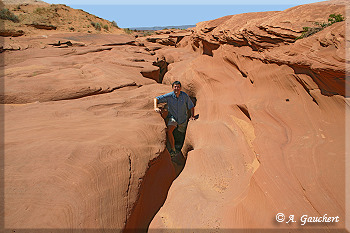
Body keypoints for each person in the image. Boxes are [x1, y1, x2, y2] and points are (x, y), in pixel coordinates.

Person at [154, 81, 195, 156]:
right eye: (175, 87)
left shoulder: (184, 96)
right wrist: (155, 107)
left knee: (181, 134)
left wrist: (192, 116)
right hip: (174, 118)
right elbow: (156, 99)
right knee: (169, 131)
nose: (176, 88)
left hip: (183, 119)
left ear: (180, 88)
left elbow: (191, 106)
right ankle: (173, 149)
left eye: (178, 87)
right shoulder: (169, 96)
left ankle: (179, 147)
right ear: (172, 88)